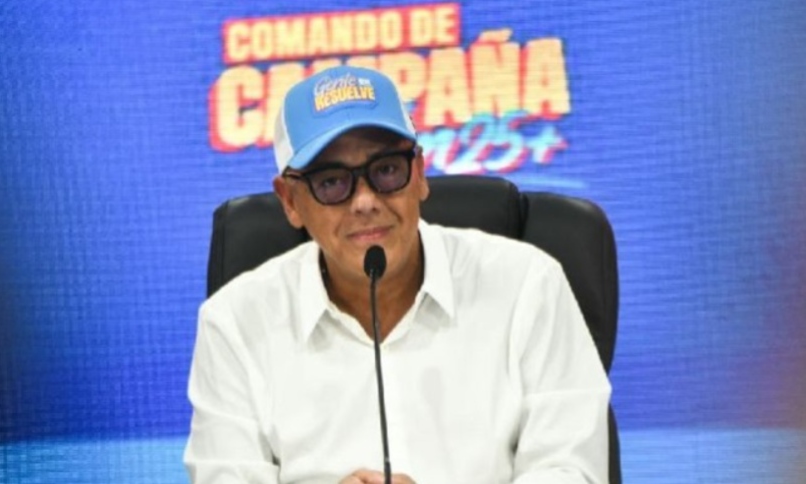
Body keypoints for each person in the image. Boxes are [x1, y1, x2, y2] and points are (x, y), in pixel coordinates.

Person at [184, 65, 611, 483]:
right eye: (331, 182)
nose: (365, 201)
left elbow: (571, 472)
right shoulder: (235, 323)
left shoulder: (527, 286)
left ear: (419, 173)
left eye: (387, 170)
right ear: (290, 201)